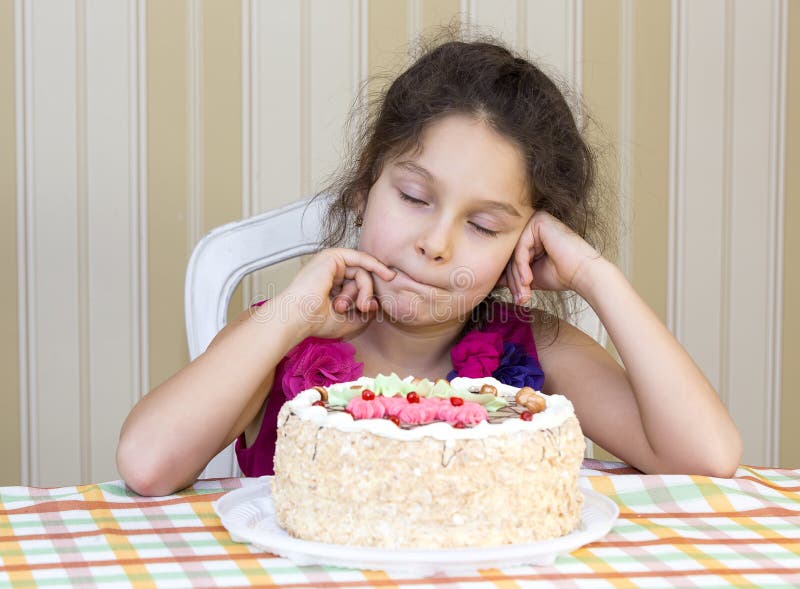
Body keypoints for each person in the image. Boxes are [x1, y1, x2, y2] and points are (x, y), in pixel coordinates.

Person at [117, 36, 742, 496]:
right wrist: (285, 320)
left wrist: (594, 273)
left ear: (523, 246)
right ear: (365, 188)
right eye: (414, 198)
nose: (435, 243)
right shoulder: (280, 341)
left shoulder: (537, 349)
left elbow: (706, 458)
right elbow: (146, 464)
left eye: (483, 226)